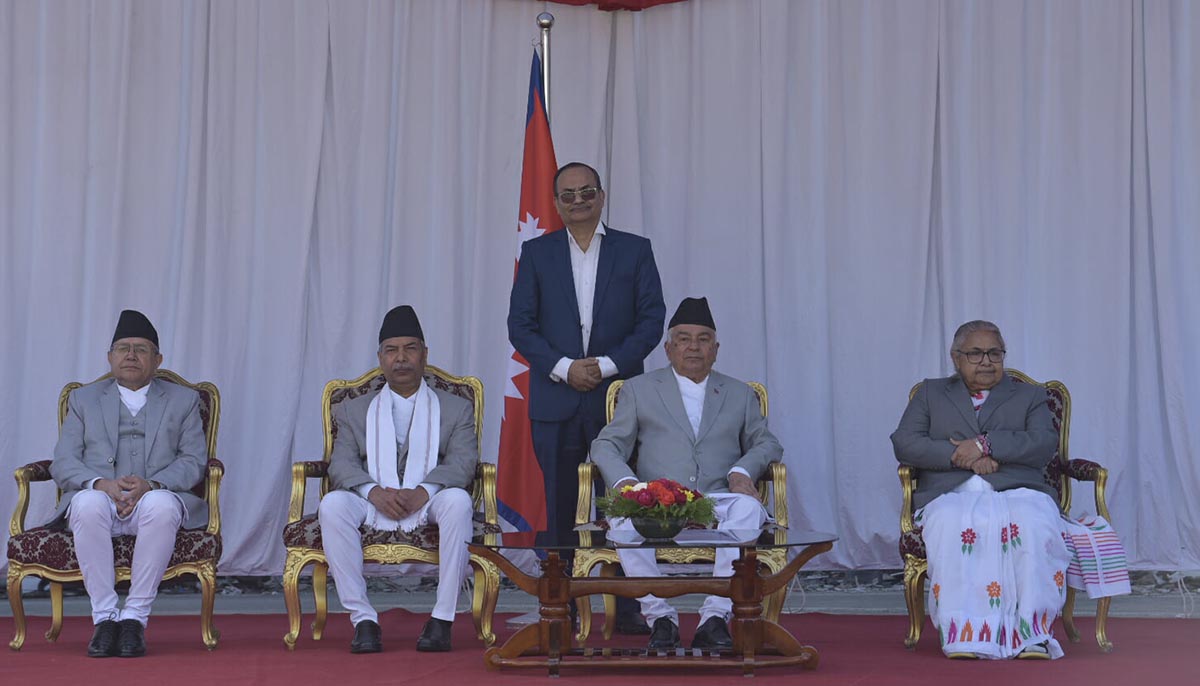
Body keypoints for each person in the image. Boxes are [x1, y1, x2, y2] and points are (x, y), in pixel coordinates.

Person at [507, 161, 666, 633]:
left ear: (602, 196)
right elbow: (520, 326)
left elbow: (651, 321)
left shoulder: (635, 250)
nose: (578, 201)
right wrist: (564, 368)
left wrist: (606, 367)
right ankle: (562, 605)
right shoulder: (537, 253)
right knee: (560, 506)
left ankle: (630, 607)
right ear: (556, 203)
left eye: (587, 192)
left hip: (616, 400)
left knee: (622, 504)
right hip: (555, 399)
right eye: (569, 195)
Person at [590, 297, 783, 651]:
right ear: (668, 348)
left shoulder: (739, 393)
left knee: (748, 509)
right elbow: (605, 445)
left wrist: (741, 472)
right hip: (659, 501)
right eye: (683, 339)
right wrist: (627, 484)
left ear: (716, 350)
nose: (693, 347)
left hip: (718, 498)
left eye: (703, 339)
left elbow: (767, 443)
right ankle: (660, 617)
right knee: (622, 519)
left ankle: (715, 617)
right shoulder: (639, 389)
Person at [891, 320, 1071, 659]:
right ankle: (967, 635)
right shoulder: (930, 393)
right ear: (956, 357)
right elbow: (905, 442)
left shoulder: (1031, 395)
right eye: (975, 353)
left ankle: (1033, 635)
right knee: (950, 525)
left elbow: (1043, 443)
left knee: (1033, 526)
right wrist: (962, 457)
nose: (986, 361)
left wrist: (986, 445)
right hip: (950, 491)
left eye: (994, 353)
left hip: (1018, 488)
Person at [319, 305, 478, 653]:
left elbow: (463, 462)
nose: (401, 358)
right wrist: (372, 492)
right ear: (380, 358)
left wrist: (425, 490)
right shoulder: (353, 409)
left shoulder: (456, 407)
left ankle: (442, 619)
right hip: (374, 498)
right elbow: (341, 463)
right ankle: (363, 620)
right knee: (332, 505)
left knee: (458, 501)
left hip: (429, 499)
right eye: (391, 350)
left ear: (425, 355)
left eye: (410, 349)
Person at [48, 310, 208, 658]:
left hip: (154, 499)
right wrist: (100, 484)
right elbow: (63, 461)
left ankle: (134, 617)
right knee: (86, 503)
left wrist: (152, 484)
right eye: (123, 348)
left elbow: (194, 461)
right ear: (110, 357)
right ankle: (105, 618)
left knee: (161, 504)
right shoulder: (84, 399)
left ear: (158, 360)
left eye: (141, 349)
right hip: (102, 500)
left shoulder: (183, 400)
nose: (131, 355)